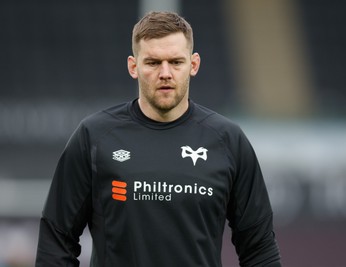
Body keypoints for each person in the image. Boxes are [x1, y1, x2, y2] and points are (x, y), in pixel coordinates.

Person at [35, 11, 281, 267]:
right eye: (153, 62)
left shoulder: (228, 141)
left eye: (176, 62)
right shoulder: (95, 137)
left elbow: (259, 248)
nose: (165, 73)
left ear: (194, 64)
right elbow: (56, 239)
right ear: (134, 66)